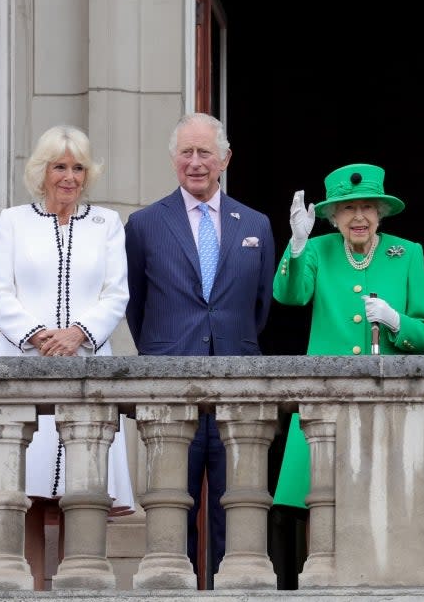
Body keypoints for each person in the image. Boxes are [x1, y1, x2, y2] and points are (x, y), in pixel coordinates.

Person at [0, 124, 135, 590]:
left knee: (79, 493)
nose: (69, 176)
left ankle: (75, 592)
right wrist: (38, 334)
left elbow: (115, 293)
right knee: (26, 487)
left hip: (86, 364)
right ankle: (32, 591)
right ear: (42, 172)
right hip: (24, 363)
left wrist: (77, 333)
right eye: (60, 166)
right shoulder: (13, 221)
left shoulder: (106, 224)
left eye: (78, 167)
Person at [124, 112, 276, 584]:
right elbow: (137, 304)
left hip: (237, 386)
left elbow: (260, 306)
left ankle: (235, 592)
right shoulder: (144, 224)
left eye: (205, 152)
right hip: (170, 386)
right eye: (186, 152)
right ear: (174, 160)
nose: (195, 162)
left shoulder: (255, 223)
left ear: (225, 159)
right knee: (172, 506)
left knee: (237, 507)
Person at [271, 163, 424, 564]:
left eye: (367, 207)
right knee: (321, 500)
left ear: (381, 212)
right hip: (327, 399)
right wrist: (295, 246)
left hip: (388, 401)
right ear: (333, 217)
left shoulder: (407, 253)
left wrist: (397, 321)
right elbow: (290, 296)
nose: (358, 217)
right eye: (347, 209)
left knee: (387, 505)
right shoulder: (317, 250)